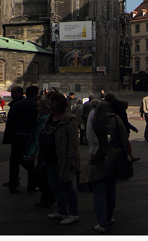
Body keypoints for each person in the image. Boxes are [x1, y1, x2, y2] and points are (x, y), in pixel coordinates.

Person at [87, 98, 129, 232]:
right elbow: (124, 138)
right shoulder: (115, 119)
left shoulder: (94, 120)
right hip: (113, 156)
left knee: (99, 190)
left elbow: (90, 138)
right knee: (111, 189)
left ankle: (101, 221)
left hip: (99, 156)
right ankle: (109, 217)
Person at [39, 90, 80, 225]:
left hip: (63, 158)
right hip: (49, 158)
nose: (50, 104)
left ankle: (73, 213)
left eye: (53, 102)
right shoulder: (49, 118)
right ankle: (61, 210)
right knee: (54, 186)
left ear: (59, 104)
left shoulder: (68, 120)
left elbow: (73, 143)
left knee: (67, 186)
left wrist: (70, 160)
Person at [2, 85, 38, 193]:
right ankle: (31, 186)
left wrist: (9, 137)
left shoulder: (16, 105)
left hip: (17, 136)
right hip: (30, 137)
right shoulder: (36, 105)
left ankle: (12, 185)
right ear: (35, 94)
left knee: (14, 162)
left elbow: (10, 123)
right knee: (30, 162)